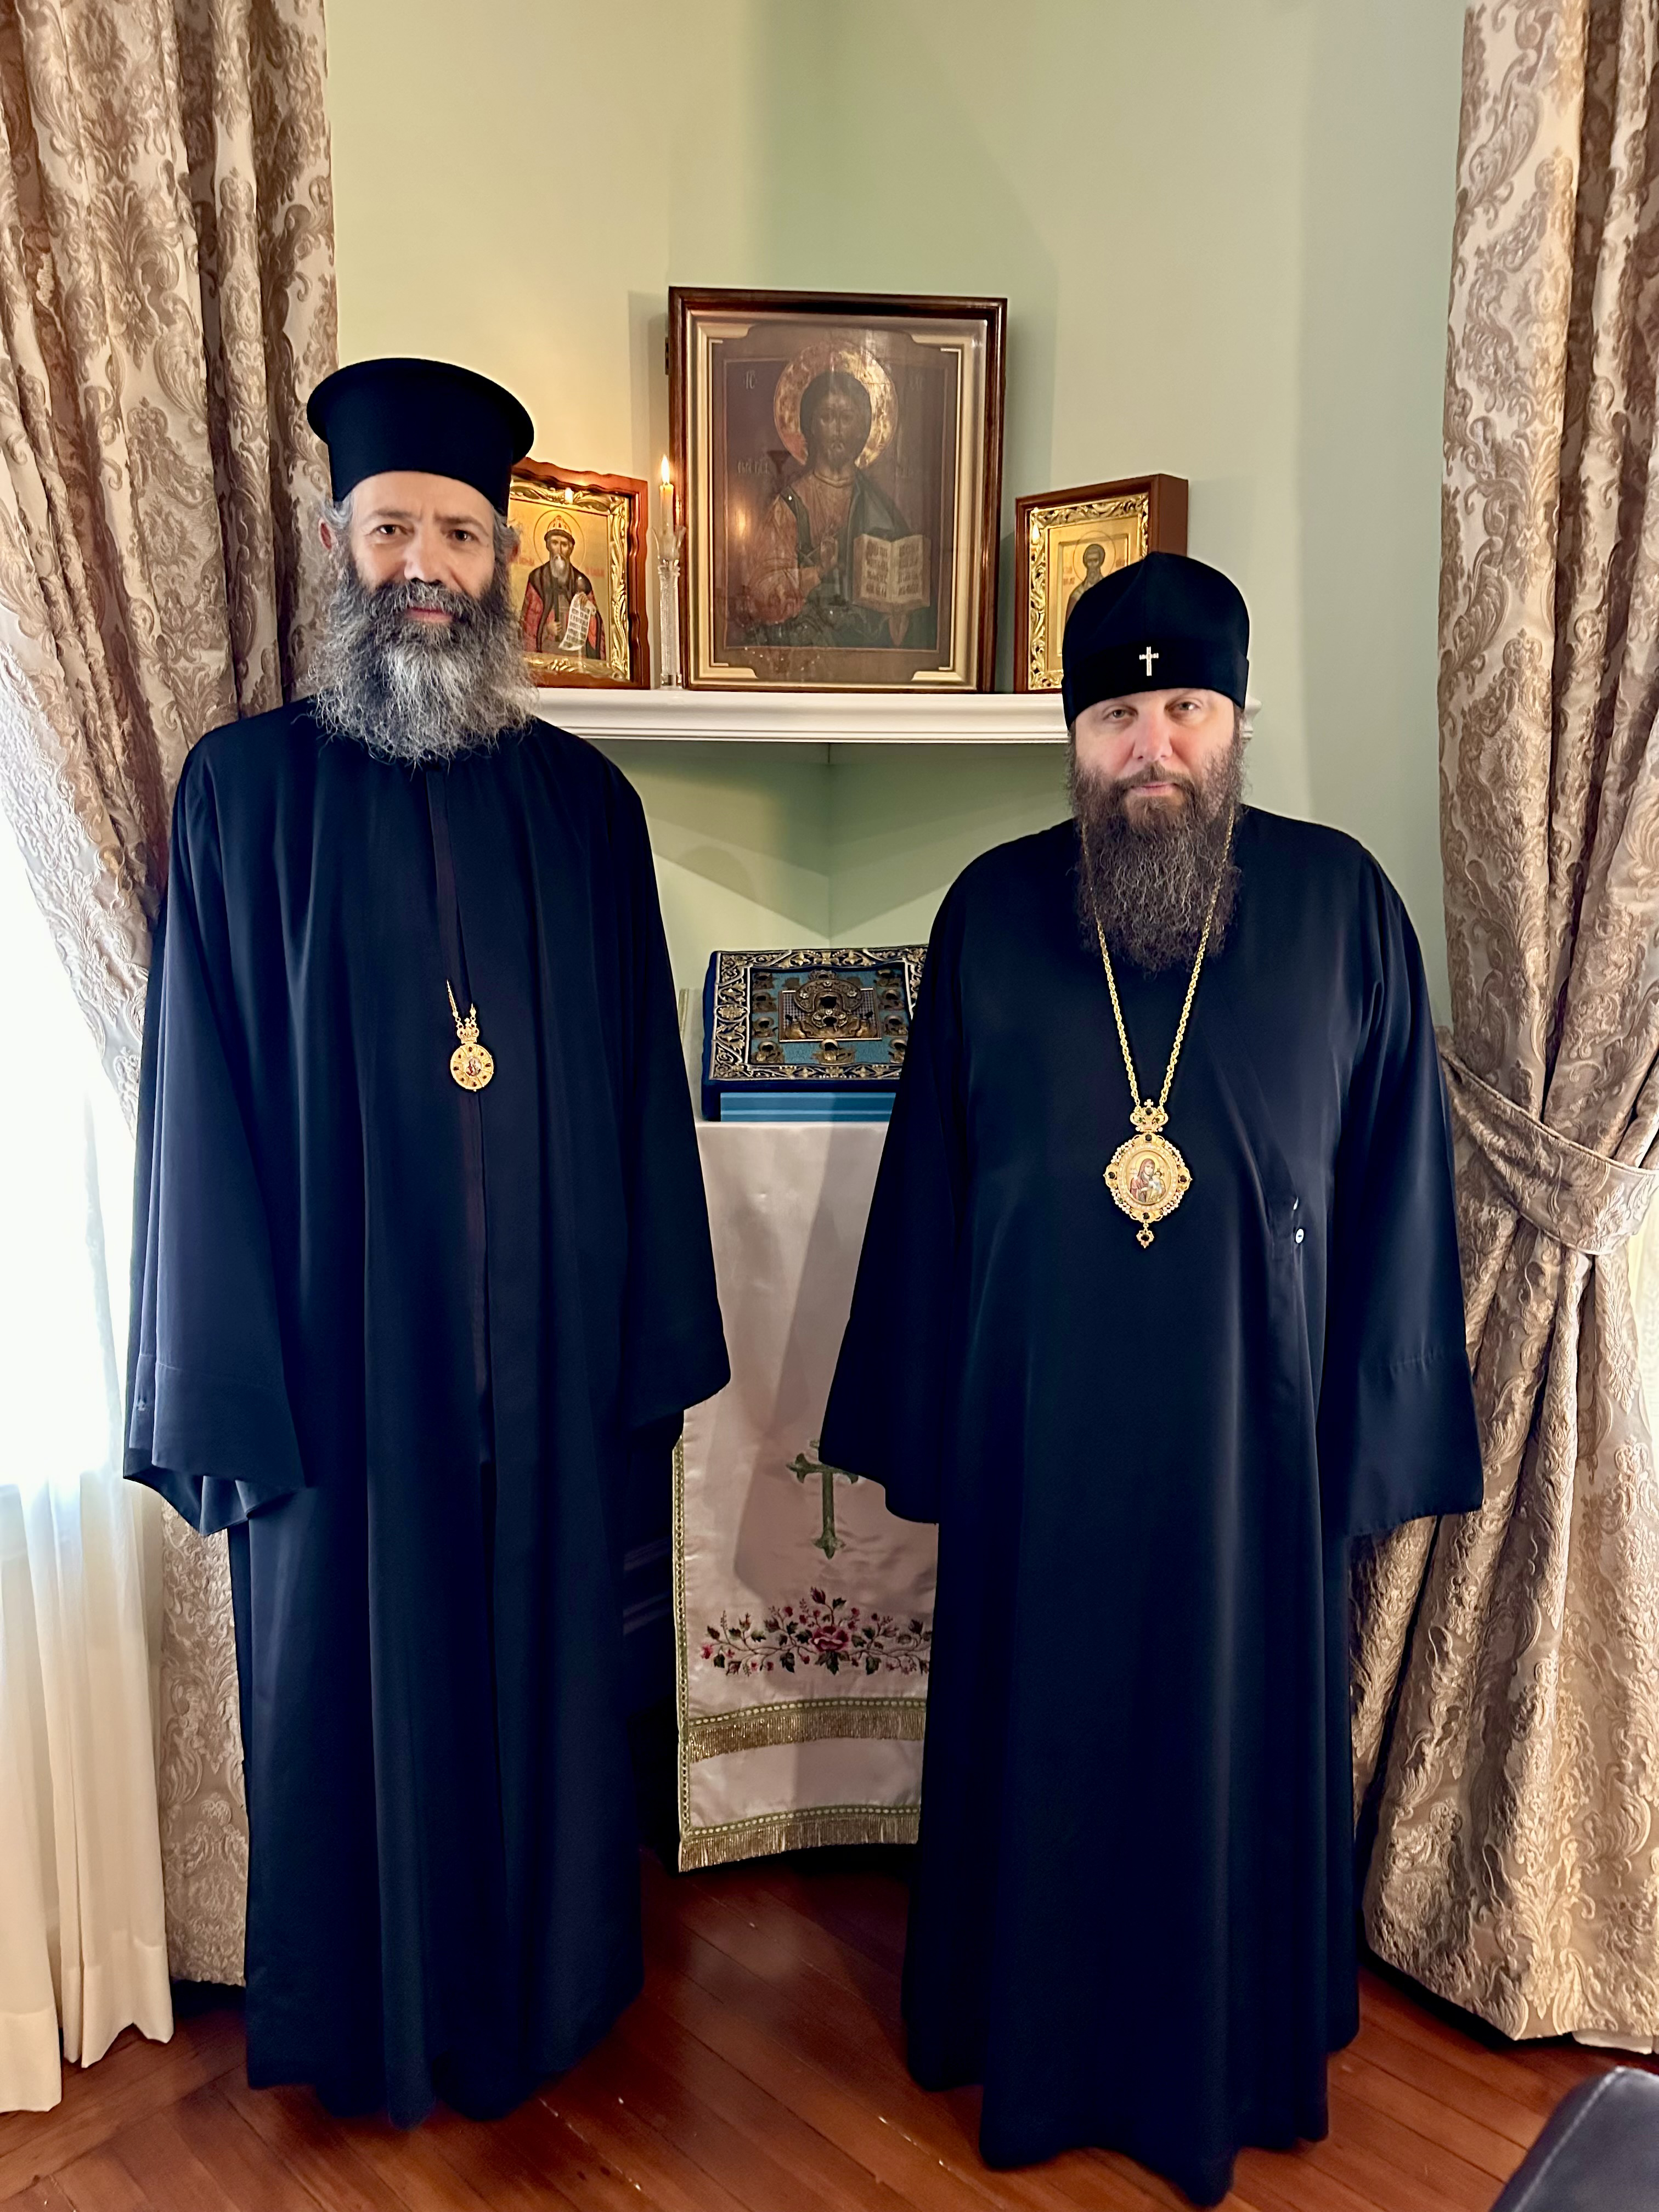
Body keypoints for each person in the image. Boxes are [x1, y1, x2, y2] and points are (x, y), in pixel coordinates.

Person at [818, 550, 1482, 2207]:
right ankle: (1027, 2032)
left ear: (1237, 721)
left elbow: (1401, 1190)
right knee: (1036, 1728)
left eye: (1185, 708)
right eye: (1117, 716)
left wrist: (1376, 1435)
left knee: (1228, 1731)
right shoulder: (991, 912)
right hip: (1037, 1444)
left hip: (1253, 1460)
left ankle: (1229, 2043)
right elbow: (927, 1193)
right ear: (1075, 737)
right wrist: (924, 1426)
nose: (1153, 747)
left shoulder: (1341, 906)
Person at [126, 356, 727, 2124]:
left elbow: (640, 1099)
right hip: (339, 1385)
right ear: (339, 544)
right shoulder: (244, 796)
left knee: (542, 1697)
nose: (424, 568)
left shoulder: (587, 811)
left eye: (458, 535)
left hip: (540, 1379)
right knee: (353, 1709)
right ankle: (370, 2025)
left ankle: (547, 1996)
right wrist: (224, 1386)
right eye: (392, 529)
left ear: (502, 561)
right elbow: (197, 1110)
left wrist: (643, 1352)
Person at [743, 365, 931, 649]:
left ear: (862, 428)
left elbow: (904, 606)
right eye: (827, 417)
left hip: (866, 655)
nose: (838, 430)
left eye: (847, 418)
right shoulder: (790, 506)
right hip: (805, 654)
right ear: (811, 425)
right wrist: (816, 572)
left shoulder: (879, 505)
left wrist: (899, 609)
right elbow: (762, 591)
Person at [521, 516, 605, 658]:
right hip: (546, 654)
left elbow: (596, 630)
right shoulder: (537, 579)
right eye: (555, 543)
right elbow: (528, 625)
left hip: (577, 656)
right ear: (548, 546)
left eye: (564, 545)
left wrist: (588, 609)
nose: (559, 550)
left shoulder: (582, 583)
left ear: (571, 549)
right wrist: (546, 630)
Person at [1064, 538, 1109, 623]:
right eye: (1089, 561)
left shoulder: (1109, 590)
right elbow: (1071, 626)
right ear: (1086, 563)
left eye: (1095, 561)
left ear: (1100, 562)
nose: (1093, 565)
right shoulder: (1077, 595)